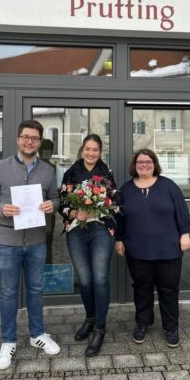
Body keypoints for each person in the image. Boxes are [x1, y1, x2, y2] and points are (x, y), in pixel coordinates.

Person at [0, 119, 61, 370]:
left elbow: (56, 198)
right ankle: (8, 340)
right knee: (8, 292)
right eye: (25, 137)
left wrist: (52, 205)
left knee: (35, 289)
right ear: (18, 139)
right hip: (8, 242)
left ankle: (37, 334)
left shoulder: (47, 170)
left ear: (39, 142)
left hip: (36, 241)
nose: (29, 142)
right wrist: (1, 208)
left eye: (34, 138)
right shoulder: (1, 167)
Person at [115, 149, 190, 348]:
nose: (144, 165)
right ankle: (142, 323)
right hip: (137, 250)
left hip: (169, 249)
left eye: (148, 162)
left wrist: (185, 233)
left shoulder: (169, 186)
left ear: (154, 164)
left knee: (169, 290)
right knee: (142, 289)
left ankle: (171, 327)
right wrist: (119, 239)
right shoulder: (125, 190)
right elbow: (119, 219)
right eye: (140, 162)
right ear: (135, 165)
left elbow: (181, 210)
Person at [57, 134, 118, 357]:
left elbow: (115, 201)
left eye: (96, 150)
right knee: (84, 280)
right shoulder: (71, 173)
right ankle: (90, 319)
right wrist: (74, 212)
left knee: (100, 279)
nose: (91, 153)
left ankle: (100, 328)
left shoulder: (106, 173)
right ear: (82, 149)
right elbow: (62, 203)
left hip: (101, 229)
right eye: (88, 149)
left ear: (100, 152)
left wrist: (99, 208)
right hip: (76, 231)